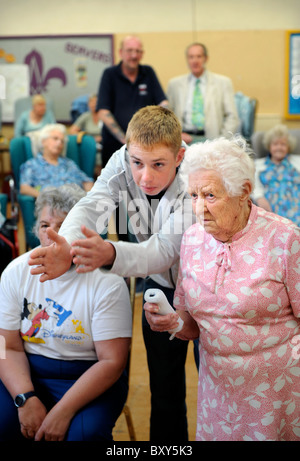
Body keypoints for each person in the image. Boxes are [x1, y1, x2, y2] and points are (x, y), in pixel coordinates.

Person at [28, 105, 197, 442]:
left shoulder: (196, 173)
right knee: (165, 391)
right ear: (127, 153)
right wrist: (67, 245)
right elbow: (93, 205)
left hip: (205, 286)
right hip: (161, 286)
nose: (145, 176)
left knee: (213, 385)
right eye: (137, 163)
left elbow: (165, 250)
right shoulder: (121, 159)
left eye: (158, 164)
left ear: (179, 156)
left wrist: (109, 253)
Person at [144, 136, 300, 441]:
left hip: (277, 394)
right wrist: (172, 322)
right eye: (193, 195)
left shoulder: (285, 240)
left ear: (243, 192)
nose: (199, 208)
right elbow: (191, 324)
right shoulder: (191, 240)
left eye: (210, 196)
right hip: (217, 394)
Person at [0, 184, 132, 441]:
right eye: (44, 225)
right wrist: (25, 398)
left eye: (62, 227)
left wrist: (63, 411)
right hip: (28, 371)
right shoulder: (15, 273)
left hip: (89, 379)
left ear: (83, 233)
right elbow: (8, 346)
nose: (51, 236)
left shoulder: (107, 282)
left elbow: (111, 362)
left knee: (83, 434)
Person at [96, 35, 168, 167]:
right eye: (129, 51)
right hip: (115, 148)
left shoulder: (148, 72)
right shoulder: (109, 74)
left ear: (142, 54)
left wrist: (168, 129)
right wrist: (126, 140)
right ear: (120, 53)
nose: (134, 55)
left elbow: (163, 104)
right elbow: (103, 111)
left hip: (147, 147)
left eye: (138, 51)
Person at [167, 43, 239, 145]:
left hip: (212, 141)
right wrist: (176, 135)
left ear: (206, 58)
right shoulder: (174, 84)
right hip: (183, 141)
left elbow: (232, 117)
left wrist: (221, 141)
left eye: (199, 56)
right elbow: (167, 116)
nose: (195, 61)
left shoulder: (223, 83)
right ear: (187, 59)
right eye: (191, 57)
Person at [19, 123, 94, 198]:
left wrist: (88, 198)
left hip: (76, 203)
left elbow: (87, 181)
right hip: (51, 204)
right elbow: (24, 188)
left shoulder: (69, 163)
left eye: (62, 141)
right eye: (55, 139)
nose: (59, 143)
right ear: (43, 141)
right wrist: (44, 197)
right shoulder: (32, 165)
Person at [252, 124, 300, 226]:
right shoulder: (258, 165)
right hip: (271, 210)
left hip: (296, 208)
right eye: (275, 144)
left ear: (288, 147)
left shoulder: (297, 162)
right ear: (269, 146)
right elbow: (252, 185)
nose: (279, 147)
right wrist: (259, 198)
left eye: (283, 144)